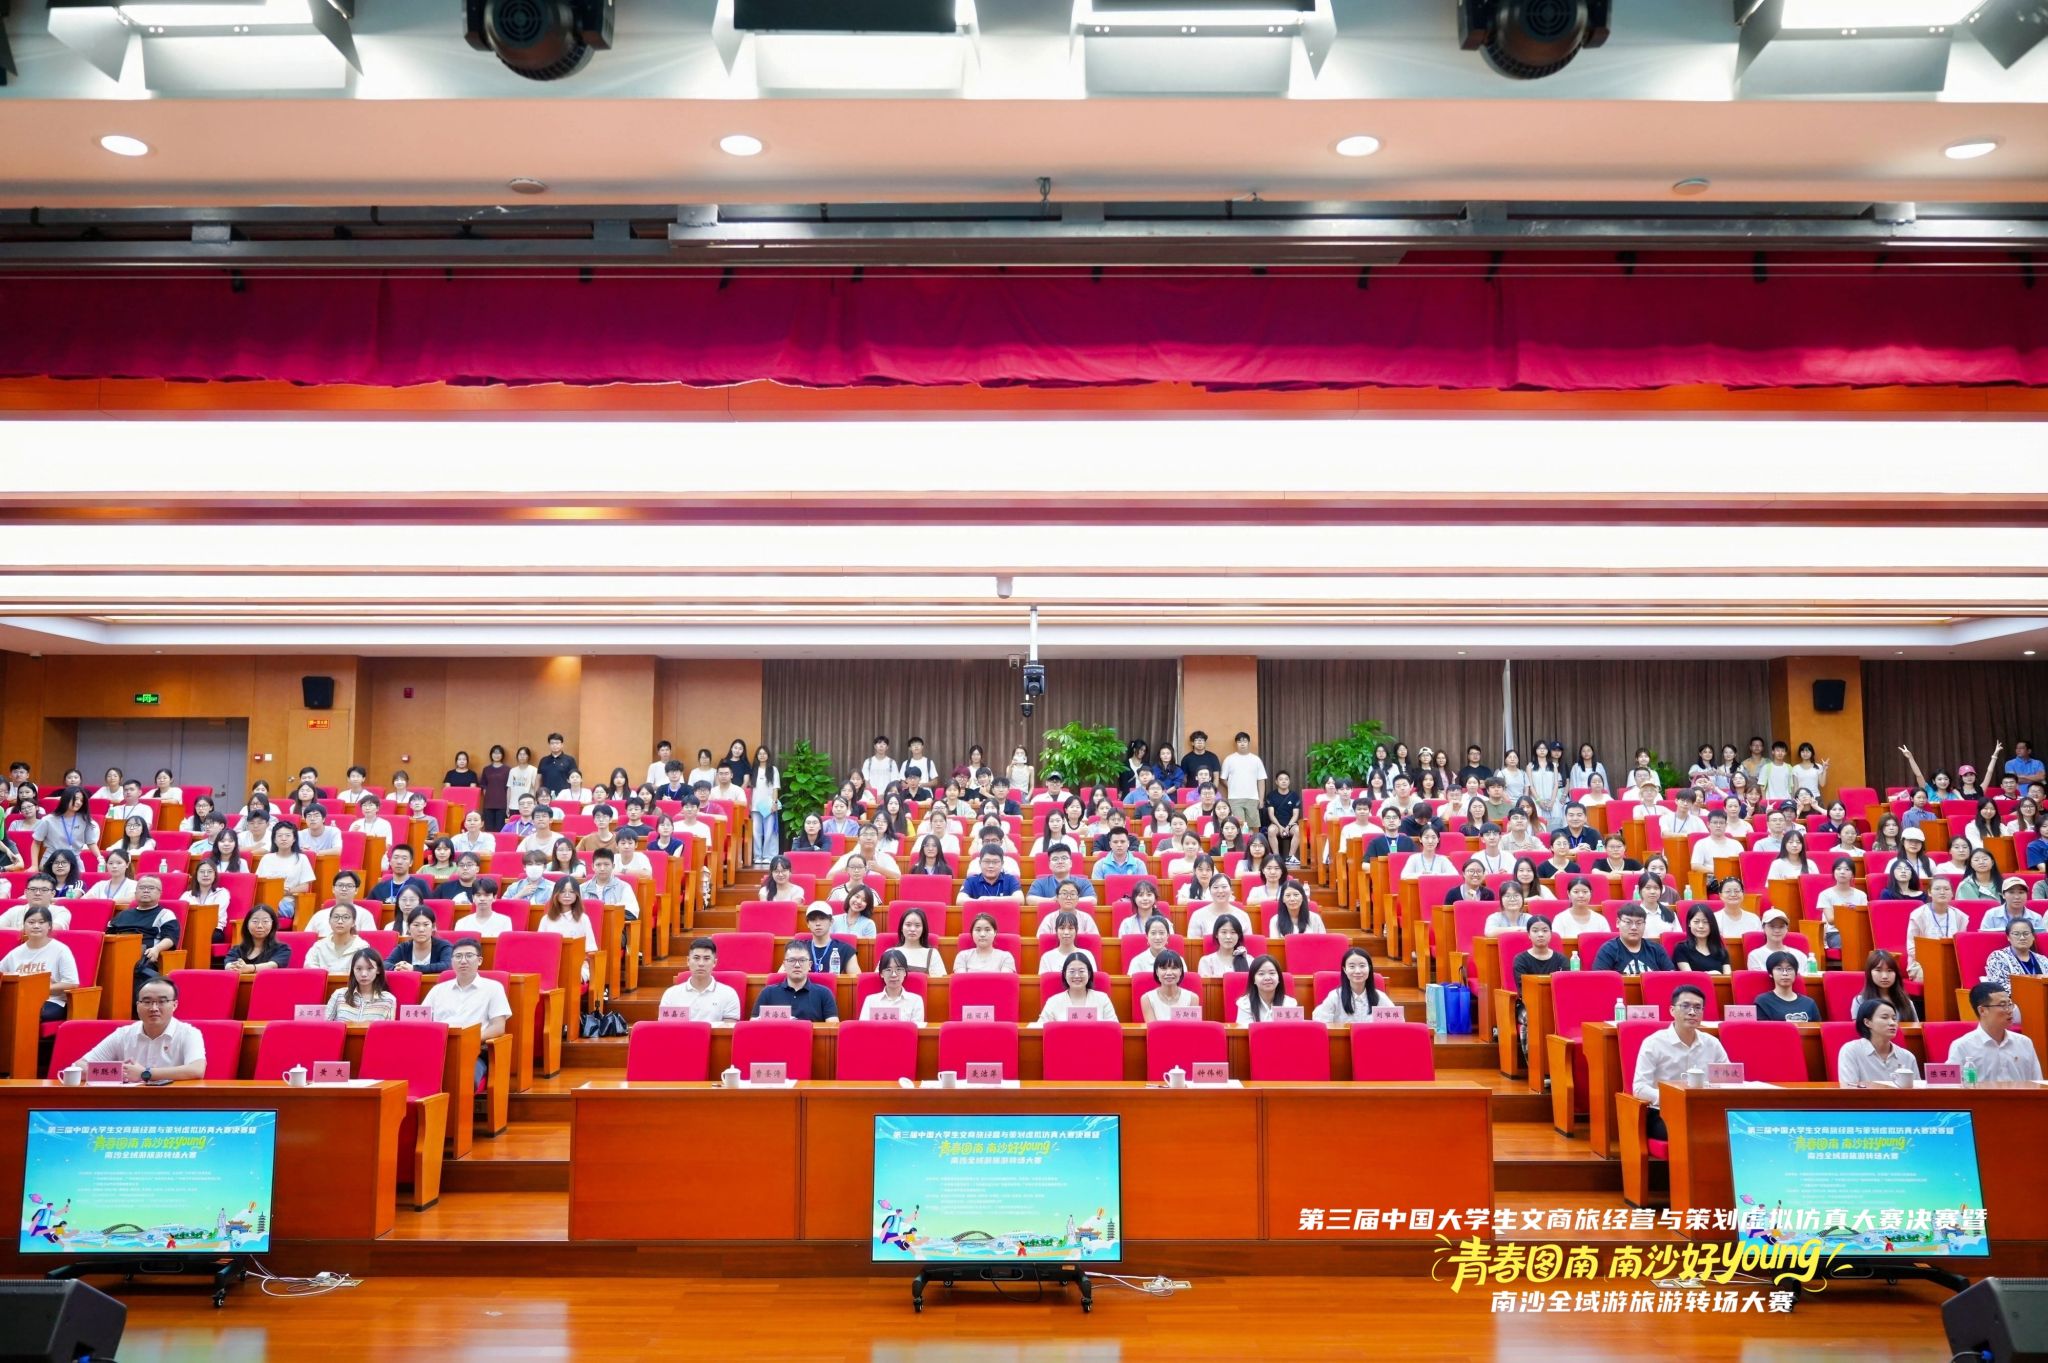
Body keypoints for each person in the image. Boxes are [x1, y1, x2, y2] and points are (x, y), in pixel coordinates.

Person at [1630, 983, 1727, 1140]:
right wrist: (1674, 1099)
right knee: (1690, 1131)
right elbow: (1639, 1088)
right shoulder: (1653, 1043)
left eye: (1698, 1007)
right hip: (1662, 1112)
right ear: (1672, 1010)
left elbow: (1728, 1081)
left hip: (1703, 1110)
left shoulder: (1712, 1044)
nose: (1692, 1012)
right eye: (1685, 1006)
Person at [79, 977, 206, 1084]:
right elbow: (80, 1067)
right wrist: (120, 1072)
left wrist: (145, 1073)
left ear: (174, 1005)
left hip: (173, 1101)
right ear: (138, 1006)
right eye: (147, 1002)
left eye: (162, 1001)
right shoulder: (123, 1034)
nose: (154, 1008)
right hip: (129, 1101)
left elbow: (197, 1069)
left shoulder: (189, 1033)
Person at [424, 939, 512, 1086]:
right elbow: (422, 1021)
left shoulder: (493, 988)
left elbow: (498, 1027)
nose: (463, 961)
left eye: (469, 956)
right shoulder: (437, 990)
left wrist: (467, 1040)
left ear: (479, 960)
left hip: (473, 1051)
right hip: (437, 1050)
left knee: (462, 1079)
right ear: (452, 961)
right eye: (458, 956)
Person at [1949, 982, 2044, 1082]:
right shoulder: (1962, 1047)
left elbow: (2038, 1083)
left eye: (2010, 1004)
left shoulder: (2024, 1043)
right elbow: (1950, 1086)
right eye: (2003, 1005)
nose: (2010, 1011)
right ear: (1982, 1011)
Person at [0, 905, 78, 1025]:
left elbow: (72, 983)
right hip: (21, 1000)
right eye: (31, 922)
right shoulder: (16, 953)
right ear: (24, 925)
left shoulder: (61, 950)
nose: (36, 926)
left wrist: (39, 989)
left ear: (49, 926)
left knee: (25, 1012)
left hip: (52, 1001)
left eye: (41, 922)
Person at [106, 875, 179, 984]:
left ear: (160, 893)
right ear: (135, 892)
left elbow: (170, 938)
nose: (146, 891)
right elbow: (108, 936)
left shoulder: (165, 914)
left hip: (144, 957)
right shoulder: (123, 914)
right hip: (117, 955)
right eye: (142, 887)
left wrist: (157, 949)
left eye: (151, 888)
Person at [656, 937, 742, 1024]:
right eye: (696, 958)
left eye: (706, 958)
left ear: (714, 963)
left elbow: (729, 1029)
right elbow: (665, 1027)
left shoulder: (729, 994)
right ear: (688, 961)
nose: (701, 964)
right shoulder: (671, 994)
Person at [1836, 999, 1919, 1087]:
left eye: (1894, 1018)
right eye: (1884, 1017)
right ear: (1867, 1022)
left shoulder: (1907, 1057)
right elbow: (1849, 1088)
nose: (1892, 1023)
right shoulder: (1851, 1051)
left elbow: (1918, 1090)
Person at [755, 941, 839, 1021]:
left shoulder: (824, 993)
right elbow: (754, 1024)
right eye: (791, 960)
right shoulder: (767, 993)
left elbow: (832, 1027)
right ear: (784, 965)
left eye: (802, 960)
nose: (797, 965)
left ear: (809, 965)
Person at [1904, 879, 1969, 981]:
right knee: (1933, 976)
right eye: (1937, 889)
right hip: (1921, 964)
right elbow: (1912, 948)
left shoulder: (1960, 916)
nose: (1942, 892)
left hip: (1952, 962)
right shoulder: (1918, 915)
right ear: (1930, 892)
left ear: (1952, 893)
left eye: (1946, 889)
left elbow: (1961, 946)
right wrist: (1935, 961)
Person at [540, 878, 600, 986]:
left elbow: (591, 950)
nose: (567, 895)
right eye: (563, 891)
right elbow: (540, 948)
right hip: (551, 966)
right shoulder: (546, 919)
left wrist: (580, 963)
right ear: (556, 894)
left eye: (571, 892)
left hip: (577, 966)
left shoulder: (583, 918)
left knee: (568, 975)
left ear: (577, 895)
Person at [1592, 904, 1674, 975]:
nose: (1634, 927)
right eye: (1628, 922)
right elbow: (1600, 980)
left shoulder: (1656, 949)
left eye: (1639, 923)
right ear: (1618, 923)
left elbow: (1671, 976)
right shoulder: (1608, 950)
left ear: (1644, 924)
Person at [1034, 953, 1116, 1024]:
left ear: (1089, 974)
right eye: (1072, 971)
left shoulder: (1102, 999)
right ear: (1065, 974)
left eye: (1081, 971)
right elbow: (1040, 1029)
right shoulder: (1053, 1001)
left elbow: (1113, 1028)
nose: (1077, 976)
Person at [326, 948, 399, 1022]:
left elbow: (387, 1029)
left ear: (378, 970)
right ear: (353, 970)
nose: (364, 974)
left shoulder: (388, 1000)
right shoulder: (339, 995)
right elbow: (325, 1025)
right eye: (359, 969)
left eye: (369, 968)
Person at [859, 950, 927, 1023]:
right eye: (888, 970)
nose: (894, 975)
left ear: (905, 972)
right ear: (881, 973)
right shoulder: (870, 1000)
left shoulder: (915, 1000)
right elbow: (863, 1027)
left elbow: (916, 1028)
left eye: (899, 969)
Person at [1753, 952, 1820, 1022]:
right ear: (1770, 973)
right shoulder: (1763, 1001)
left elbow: (1817, 1027)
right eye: (1779, 969)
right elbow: (1762, 1028)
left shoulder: (1809, 1003)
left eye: (1789, 969)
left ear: (1796, 973)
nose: (1785, 973)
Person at [305, 901, 370, 973]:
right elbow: (309, 967)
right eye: (336, 917)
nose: (340, 921)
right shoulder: (318, 946)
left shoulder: (362, 947)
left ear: (353, 923)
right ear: (329, 921)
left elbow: (364, 972)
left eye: (346, 917)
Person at [1984, 918, 2045, 992]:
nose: (2022, 938)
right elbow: (1999, 987)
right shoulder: (1997, 957)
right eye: (2016, 934)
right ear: (2008, 937)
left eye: (2026, 934)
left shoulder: (2043, 960)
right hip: (2013, 998)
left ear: (2033, 936)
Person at [386, 907, 455, 973]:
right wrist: (396, 968)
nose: (421, 929)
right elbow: (385, 964)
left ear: (433, 927)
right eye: (416, 925)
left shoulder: (444, 946)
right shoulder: (403, 948)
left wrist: (414, 968)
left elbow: (447, 965)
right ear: (408, 928)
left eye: (426, 925)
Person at [1857, 949, 1918, 1023]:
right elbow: (1860, 1028)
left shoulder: (1906, 1002)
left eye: (1889, 970)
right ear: (1869, 973)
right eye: (1878, 970)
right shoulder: (1860, 1001)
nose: (1885, 976)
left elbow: (1915, 1028)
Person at [224, 905, 290, 972]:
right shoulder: (236, 950)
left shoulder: (282, 949)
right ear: (247, 925)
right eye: (255, 921)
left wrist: (249, 968)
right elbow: (228, 965)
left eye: (265, 921)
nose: (259, 926)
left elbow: (273, 965)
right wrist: (231, 967)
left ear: (273, 925)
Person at [1140, 950, 1201, 1022]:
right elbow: (1153, 1028)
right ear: (1157, 972)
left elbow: (1191, 1027)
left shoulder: (1192, 998)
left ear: (1180, 971)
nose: (1169, 973)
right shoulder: (1147, 999)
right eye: (1164, 968)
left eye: (1174, 968)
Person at [1744, 909, 1812, 973]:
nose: (1777, 930)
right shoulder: (1755, 956)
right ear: (1763, 928)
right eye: (1772, 926)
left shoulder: (1800, 956)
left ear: (1787, 928)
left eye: (1781, 926)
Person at [797, 906, 858, 975]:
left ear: (831, 922)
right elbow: (787, 974)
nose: (818, 924)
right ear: (808, 924)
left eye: (822, 919)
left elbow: (855, 978)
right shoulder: (798, 948)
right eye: (813, 919)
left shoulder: (845, 949)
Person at [1671, 906, 1730, 974]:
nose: (1701, 926)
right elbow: (1689, 976)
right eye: (1696, 922)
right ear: (1689, 923)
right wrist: (1710, 974)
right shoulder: (1681, 949)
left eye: (1705, 922)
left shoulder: (1721, 951)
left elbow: (1728, 977)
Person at [1235, 954, 1293, 1023]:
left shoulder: (1289, 1003)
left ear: (1279, 978)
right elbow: (1245, 1029)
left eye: (1272, 973)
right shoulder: (1245, 1004)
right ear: (1253, 980)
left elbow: (1292, 1028)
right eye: (1261, 974)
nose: (1267, 978)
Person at [1982, 880, 2048, 933]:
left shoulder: (2036, 918)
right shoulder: (1991, 915)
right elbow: (1984, 939)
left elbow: (2039, 941)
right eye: (2011, 892)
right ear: (2003, 895)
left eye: (2021, 892)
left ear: (2027, 895)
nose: (2017, 897)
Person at [1711, 877, 1762, 943]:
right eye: (1728, 891)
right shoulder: (1714, 918)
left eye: (1737, 891)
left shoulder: (1754, 918)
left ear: (1743, 894)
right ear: (1720, 895)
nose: (1733, 895)